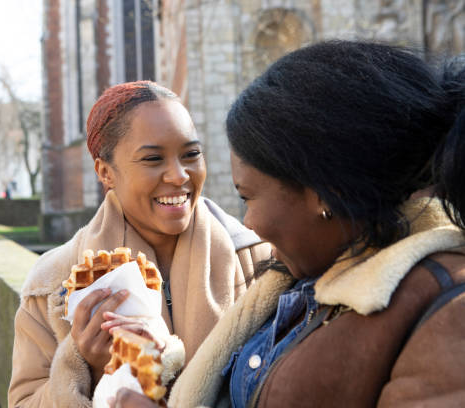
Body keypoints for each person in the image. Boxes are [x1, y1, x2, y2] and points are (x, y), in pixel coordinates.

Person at [112, 41, 465, 407]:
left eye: (248, 197)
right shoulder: (296, 284)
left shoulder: (449, 311)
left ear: (324, 192)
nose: (248, 223)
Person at [8, 81, 270, 407]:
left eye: (191, 154)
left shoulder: (261, 261)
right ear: (105, 172)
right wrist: (84, 366)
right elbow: (23, 402)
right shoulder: (52, 285)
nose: (178, 176)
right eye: (153, 159)